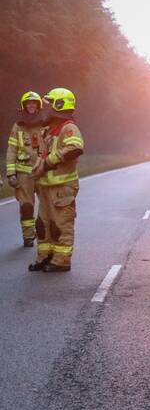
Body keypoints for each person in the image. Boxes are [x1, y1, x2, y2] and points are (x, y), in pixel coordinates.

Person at [29, 88, 84, 272]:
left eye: (50, 103)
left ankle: (61, 261)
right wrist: (36, 171)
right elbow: (43, 155)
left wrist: (49, 162)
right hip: (45, 187)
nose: (47, 108)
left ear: (60, 105)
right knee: (43, 225)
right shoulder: (49, 129)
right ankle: (45, 257)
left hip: (62, 188)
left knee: (61, 225)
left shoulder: (69, 128)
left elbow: (75, 148)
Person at [6, 92, 46, 247]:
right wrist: (11, 173)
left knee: (46, 206)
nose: (31, 105)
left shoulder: (45, 123)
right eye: (28, 103)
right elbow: (11, 150)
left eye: (34, 103)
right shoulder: (17, 126)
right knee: (26, 206)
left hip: (42, 171)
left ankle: (43, 232)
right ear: (24, 106)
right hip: (24, 173)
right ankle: (28, 237)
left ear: (38, 105)